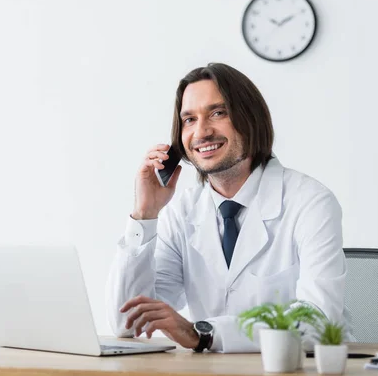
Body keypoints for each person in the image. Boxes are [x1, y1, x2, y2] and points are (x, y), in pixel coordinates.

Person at [105, 63, 348, 353]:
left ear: (250, 119)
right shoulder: (181, 212)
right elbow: (128, 324)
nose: (202, 132)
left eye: (218, 113)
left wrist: (204, 334)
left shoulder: (310, 202)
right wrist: (144, 215)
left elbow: (318, 322)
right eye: (189, 119)